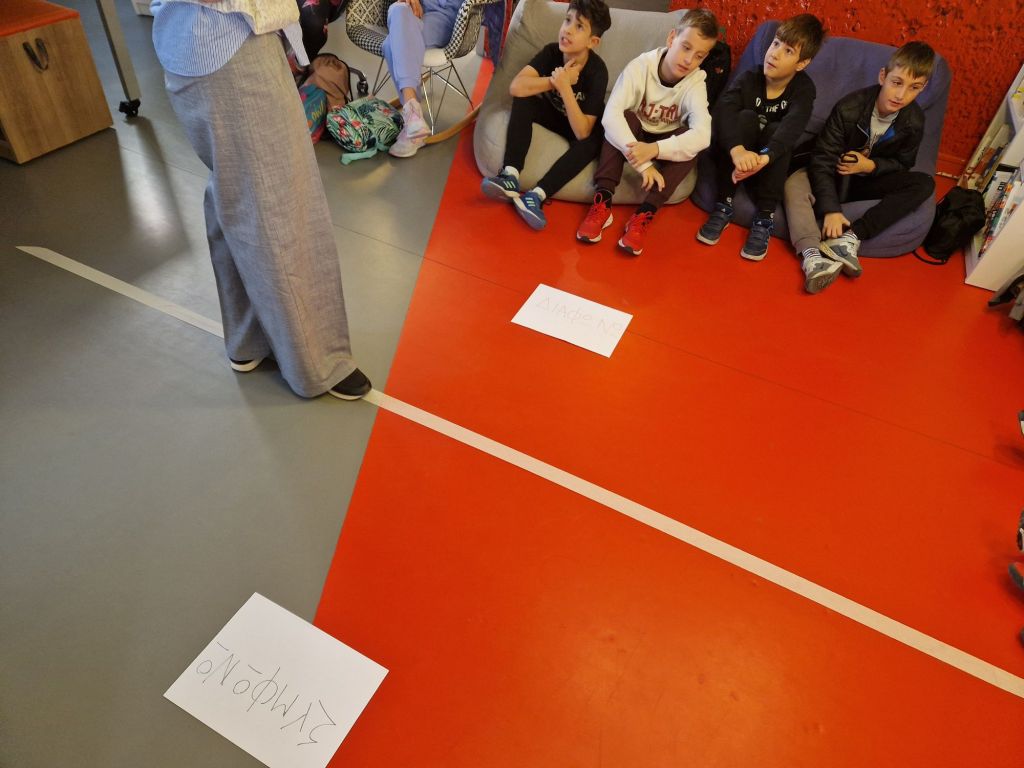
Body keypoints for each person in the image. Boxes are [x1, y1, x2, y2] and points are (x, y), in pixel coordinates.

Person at [151, 0, 371, 400]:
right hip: (232, 41)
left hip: (191, 41)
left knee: (235, 190)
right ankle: (315, 363)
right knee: (280, 201)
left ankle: (249, 336)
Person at [783, 41, 936, 293]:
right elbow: (822, 158)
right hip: (830, 173)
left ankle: (849, 239)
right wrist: (831, 210)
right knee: (793, 184)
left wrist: (870, 165)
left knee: (924, 184)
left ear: (923, 88)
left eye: (914, 88)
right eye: (897, 83)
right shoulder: (849, 107)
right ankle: (813, 257)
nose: (901, 95)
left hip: (864, 179)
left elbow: (903, 164)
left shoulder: (914, 121)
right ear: (883, 76)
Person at [575, 8, 719, 256]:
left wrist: (654, 150)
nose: (688, 60)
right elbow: (610, 115)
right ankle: (603, 202)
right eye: (685, 47)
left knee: (691, 142)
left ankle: (644, 214)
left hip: (662, 141)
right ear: (672, 38)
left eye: (698, 56)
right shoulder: (641, 66)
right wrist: (644, 165)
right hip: (636, 133)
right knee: (624, 118)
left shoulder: (696, 82)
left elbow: (703, 135)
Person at [696, 14, 825, 263]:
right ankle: (724, 204)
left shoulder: (803, 89)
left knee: (779, 133)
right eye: (775, 43)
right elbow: (723, 112)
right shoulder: (750, 78)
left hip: (767, 166)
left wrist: (765, 158)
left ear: (801, 63)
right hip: (736, 163)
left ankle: (764, 217)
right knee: (744, 117)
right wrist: (737, 150)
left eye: (788, 51)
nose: (774, 54)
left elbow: (793, 126)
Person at [480, 0, 612, 231]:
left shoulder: (597, 71)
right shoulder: (551, 52)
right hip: (553, 114)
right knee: (524, 96)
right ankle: (511, 174)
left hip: (577, 124)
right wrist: (553, 81)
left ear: (593, 42)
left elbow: (582, 131)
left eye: (579, 26)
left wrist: (565, 88)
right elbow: (516, 87)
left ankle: (537, 196)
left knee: (595, 139)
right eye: (567, 20)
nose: (567, 30)